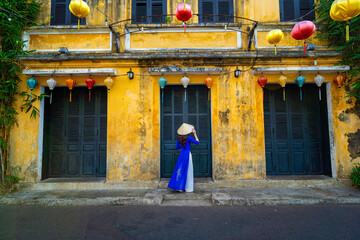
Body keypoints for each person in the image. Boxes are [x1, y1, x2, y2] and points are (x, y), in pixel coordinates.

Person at [168, 123, 199, 193]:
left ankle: (180, 188)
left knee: (180, 169)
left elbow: (177, 147)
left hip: (182, 154)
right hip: (188, 154)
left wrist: (182, 148)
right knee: (188, 170)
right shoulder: (189, 138)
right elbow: (197, 142)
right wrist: (195, 134)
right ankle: (188, 187)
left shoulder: (179, 138)